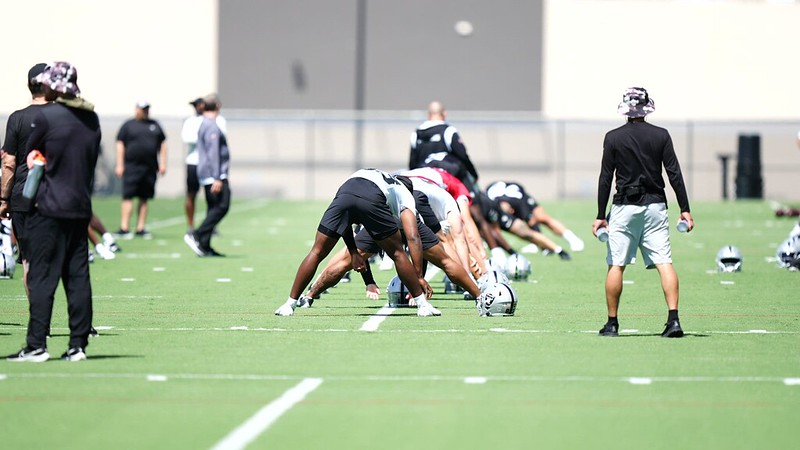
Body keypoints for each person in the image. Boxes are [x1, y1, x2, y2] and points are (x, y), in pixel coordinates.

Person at [6, 61, 101, 362]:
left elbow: (33, 157)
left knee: (42, 277)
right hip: (79, 206)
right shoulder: (92, 119)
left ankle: (36, 345)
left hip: (48, 206)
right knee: (77, 277)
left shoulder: (47, 117)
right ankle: (77, 345)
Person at [593, 87, 693, 338]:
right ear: (647, 107)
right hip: (655, 206)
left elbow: (606, 177)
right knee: (664, 263)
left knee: (616, 264)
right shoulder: (661, 135)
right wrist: (685, 209)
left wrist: (600, 214)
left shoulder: (613, 137)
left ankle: (612, 323)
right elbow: (674, 174)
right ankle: (673, 320)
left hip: (624, 207)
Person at [274, 168, 440, 317]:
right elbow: (413, 237)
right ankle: (422, 305)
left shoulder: (378, 177)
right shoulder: (405, 195)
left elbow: (344, 223)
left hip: (346, 192)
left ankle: (289, 304)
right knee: (397, 253)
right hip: (372, 196)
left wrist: (353, 252)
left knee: (316, 252)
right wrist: (419, 276)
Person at [0, 63, 49, 294]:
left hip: (23, 196)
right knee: (56, 259)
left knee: (29, 260)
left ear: (29, 86)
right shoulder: (63, 117)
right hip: (55, 196)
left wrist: (3, 199)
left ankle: (38, 320)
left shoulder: (17, 118)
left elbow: (8, 162)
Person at [183, 93, 230, 257]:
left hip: (209, 173)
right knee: (222, 206)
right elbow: (213, 153)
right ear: (217, 106)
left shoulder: (205, 123)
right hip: (214, 174)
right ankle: (196, 235)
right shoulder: (211, 125)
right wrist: (217, 176)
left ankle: (204, 245)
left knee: (213, 208)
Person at [114, 100, 167, 239]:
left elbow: (162, 144)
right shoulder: (128, 125)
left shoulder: (154, 125)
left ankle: (140, 228)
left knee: (144, 197)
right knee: (128, 196)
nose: (145, 112)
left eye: (147, 109)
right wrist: (120, 165)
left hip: (149, 167)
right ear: (136, 109)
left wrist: (163, 163)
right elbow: (120, 145)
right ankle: (124, 228)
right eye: (142, 109)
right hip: (131, 166)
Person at [486, 180, 584, 253]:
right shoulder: (490, 204)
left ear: (512, 210)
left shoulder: (519, 203)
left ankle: (573, 239)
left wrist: (542, 245)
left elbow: (532, 221)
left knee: (542, 217)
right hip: (495, 189)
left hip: (519, 193)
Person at [409, 100, 479, 194]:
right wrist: (473, 174)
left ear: (428, 114)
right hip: (448, 179)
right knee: (468, 197)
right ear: (444, 113)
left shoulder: (416, 134)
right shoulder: (448, 131)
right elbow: (463, 156)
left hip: (424, 180)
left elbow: (412, 163)